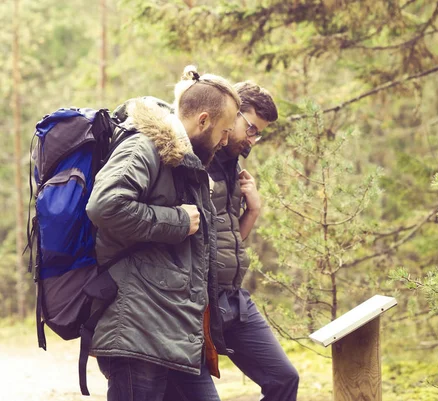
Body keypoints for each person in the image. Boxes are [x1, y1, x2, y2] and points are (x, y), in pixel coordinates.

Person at [85, 66, 240, 401]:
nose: (226, 140)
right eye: (224, 131)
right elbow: (105, 205)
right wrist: (178, 222)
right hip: (138, 329)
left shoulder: (188, 161)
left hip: (176, 330)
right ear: (202, 121)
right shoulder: (143, 148)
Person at [206, 81, 299, 401]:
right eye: (251, 129)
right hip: (197, 304)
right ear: (231, 115)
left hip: (233, 299)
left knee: (284, 379)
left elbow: (230, 239)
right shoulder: (196, 159)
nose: (253, 140)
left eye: (258, 133)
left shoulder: (234, 167)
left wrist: (253, 210)